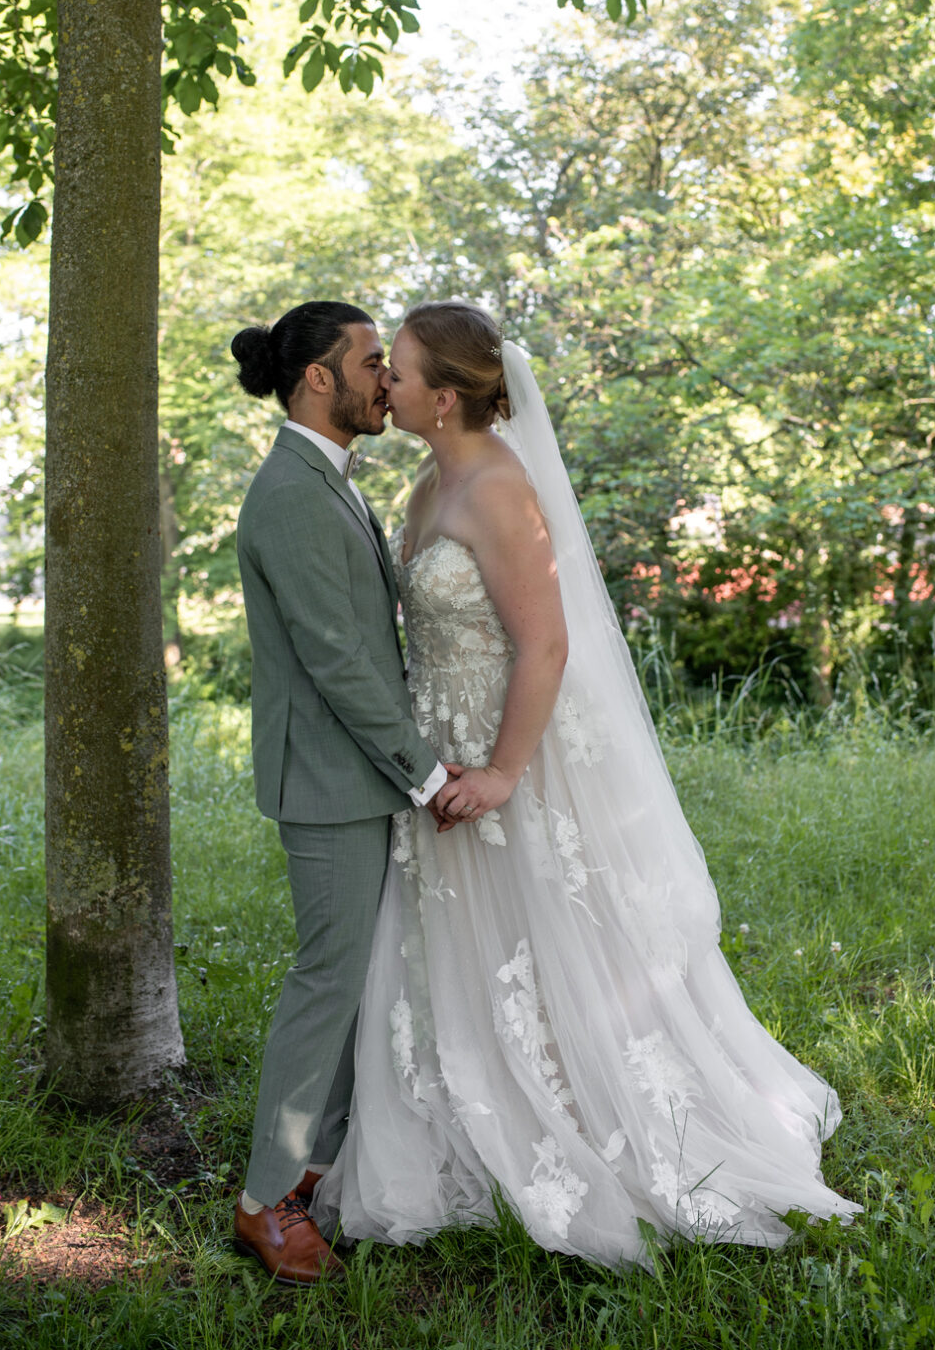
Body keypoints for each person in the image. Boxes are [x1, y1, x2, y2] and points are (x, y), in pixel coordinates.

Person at [311, 300, 859, 1268]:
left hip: (504, 756)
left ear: (444, 399)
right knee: (457, 950)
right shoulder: (421, 493)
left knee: (548, 938)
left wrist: (502, 774)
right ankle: (459, 1109)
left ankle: (588, 1110)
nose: (381, 385)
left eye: (394, 371)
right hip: (435, 758)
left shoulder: (500, 492)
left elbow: (547, 644)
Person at [229, 300, 459, 1286]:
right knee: (327, 985)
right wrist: (428, 769)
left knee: (356, 982)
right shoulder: (288, 492)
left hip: (355, 777)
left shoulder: (331, 481)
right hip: (328, 783)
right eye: (371, 362)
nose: (384, 379)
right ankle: (263, 1200)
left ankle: (319, 1165)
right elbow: (335, 659)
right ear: (317, 378)